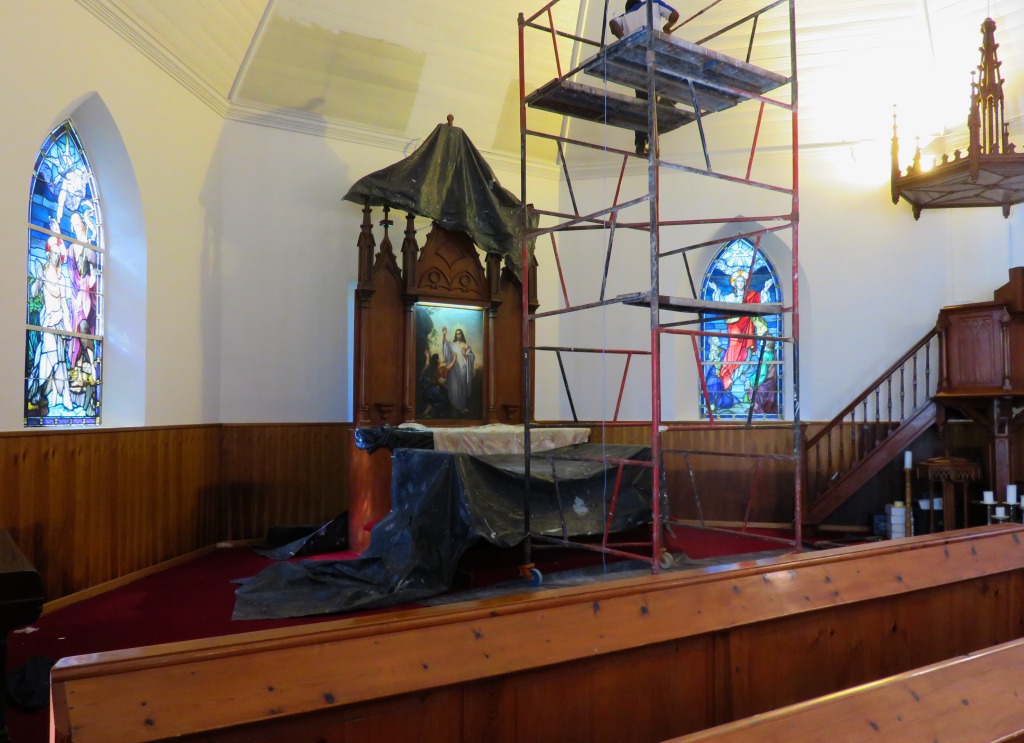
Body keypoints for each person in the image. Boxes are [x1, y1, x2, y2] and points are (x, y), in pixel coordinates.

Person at [609, 0, 680, 155]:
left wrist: (624, 39)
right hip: (654, 54)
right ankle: (664, 108)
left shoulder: (624, 17)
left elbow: (612, 23)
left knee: (643, 102)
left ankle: (642, 143)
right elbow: (675, 15)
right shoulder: (651, 3)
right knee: (675, 82)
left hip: (637, 62)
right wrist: (667, 28)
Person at [710, 269, 775, 392]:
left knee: (747, 356)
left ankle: (735, 384)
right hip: (734, 331)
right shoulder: (730, 297)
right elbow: (720, 303)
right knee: (733, 356)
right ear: (734, 283)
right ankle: (727, 381)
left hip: (747, 330)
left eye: (743, 281)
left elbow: (760, 300)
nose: (740, 283)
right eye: (738, 281)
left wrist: (765, 289)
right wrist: (717, 291)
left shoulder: (751, 295)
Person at [441, 326, 475, 415]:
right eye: (457, 334)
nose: (458, 335)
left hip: (464, 369)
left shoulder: (466, 345)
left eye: (459, 333)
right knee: (454, 387)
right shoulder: (453, 344)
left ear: (462, 335)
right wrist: (444, 335)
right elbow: (445, 346)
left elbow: (472, 357)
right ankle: (454, 407)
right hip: (455, 369)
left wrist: (466, 355)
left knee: (462, 388)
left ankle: (462, 407)